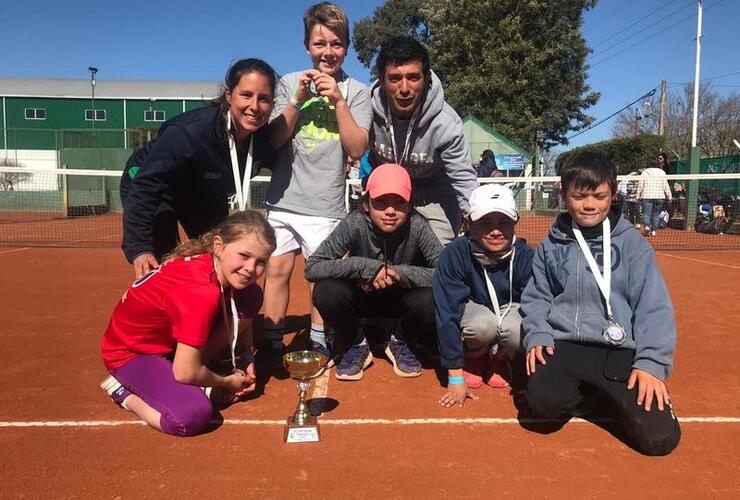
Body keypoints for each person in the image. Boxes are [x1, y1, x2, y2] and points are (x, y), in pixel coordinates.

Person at [522, 151, 681, 456]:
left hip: (618, 348)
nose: (590, 204)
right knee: (542, 411)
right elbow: (537, 297)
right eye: (580, 196)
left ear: (613, 194)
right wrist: (537, 333)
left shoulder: (632, 244)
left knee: (659, 440)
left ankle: (608, 390)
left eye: (599, 195)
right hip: (565, 342)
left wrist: (651, 363)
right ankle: (596, 390)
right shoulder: (550, 245)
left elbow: (653, 306)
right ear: (564, 194)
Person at [261, 2, 373, 367]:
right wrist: (298, 99)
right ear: (307, 45)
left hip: (325, 205)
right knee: (276, 271)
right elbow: (275, 139)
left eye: (336, 44)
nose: (328, 52)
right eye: (320, 43)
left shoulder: (357, 91)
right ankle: (272, 340)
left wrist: (337, 101)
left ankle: (319, 340)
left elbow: (357, 146)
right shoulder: (289, 83)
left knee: (318, 280)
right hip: (282, 202)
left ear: (347, 46)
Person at [100, 211, 276, 437]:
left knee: (250, 295)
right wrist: (226, 382)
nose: (251, 268)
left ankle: (197, 368)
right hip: (131, 353)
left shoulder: (212, 265)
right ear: (219, 245)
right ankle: (122, 392)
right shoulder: (200, 293)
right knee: (191, 415)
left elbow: (243, 309)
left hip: (167, 342)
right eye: (244, 255)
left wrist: (246, 354)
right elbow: (184, 373)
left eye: (261, 262)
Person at [121, 58, 277, 278]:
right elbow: (146, 187)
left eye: (264, 99)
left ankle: (215, 308)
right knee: (165, 256)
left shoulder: (262, 141)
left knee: (218, 249)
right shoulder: (189, 132)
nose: (254, 106)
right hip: (153, 185)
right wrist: (140, 249)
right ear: (228, 95)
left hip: (202, 189)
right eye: (246, 95)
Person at [305, 164, 442, 380]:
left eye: (399, 202)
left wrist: (398, 274)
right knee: (326, 290)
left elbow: (444, 273)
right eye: (380, 202)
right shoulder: (354, 223)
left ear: (410, 204)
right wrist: (365, 267)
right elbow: (312, 267)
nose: (390, 211)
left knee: (434, 297)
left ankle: (400, 340)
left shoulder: (418, 225)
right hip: (362, 305)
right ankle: (356, 343)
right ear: (366, 203)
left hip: (400, 307)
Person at [368, 36, 477, 245]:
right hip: (389, 194)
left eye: (413, 77)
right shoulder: (366, 110)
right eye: (394, 78)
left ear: (427, 78)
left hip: (435, 195)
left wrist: (480, 218)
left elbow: (463, 178)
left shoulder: (446, 123)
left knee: (438, 260)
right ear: (382, 80)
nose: (405, 88)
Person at [435, 184, 534, 408]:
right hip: (476, 311)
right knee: (483, 325)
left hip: (509, 311)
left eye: (504, 223)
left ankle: (501, 358)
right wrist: (455, 375)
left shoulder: (527, 257)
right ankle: (475, 355)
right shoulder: (454, 255)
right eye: (485, 223)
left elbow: (538, 308)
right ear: (469, 223)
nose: (496, 231)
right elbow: (447, 312)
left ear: (516, 221)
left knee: (516, 329)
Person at [637, 152, 672, 236]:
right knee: (656, 214)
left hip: (646, 196)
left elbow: (640, 184)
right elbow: (665, 185)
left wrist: (637, 195)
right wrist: (669, 196)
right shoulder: (662, 172)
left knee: (646, 213)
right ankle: (654, 231)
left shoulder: (644, 172)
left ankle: (646, 227)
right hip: (659, 196)